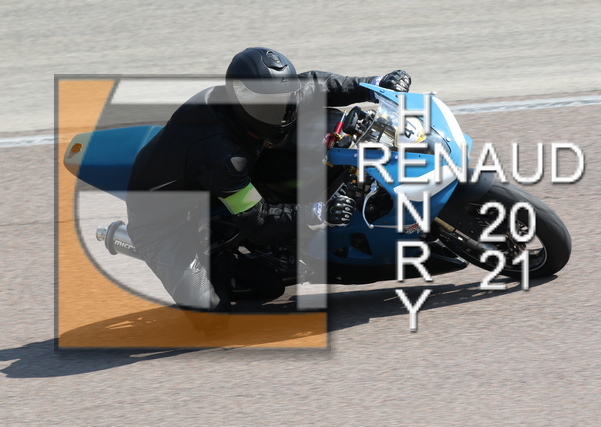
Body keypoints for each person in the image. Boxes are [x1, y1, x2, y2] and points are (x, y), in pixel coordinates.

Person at [126, 47, 411, 314]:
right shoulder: (220, 154)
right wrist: (319, 212)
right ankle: (213, 259)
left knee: (322, 130)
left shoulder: (262, 100)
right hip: (165, 220)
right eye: (270, 107)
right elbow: (258, 221)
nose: (281, 114)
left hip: (220, 171)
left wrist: (375, 85)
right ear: (242, 99)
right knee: (215, 309)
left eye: (285, 101)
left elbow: (316, 85)